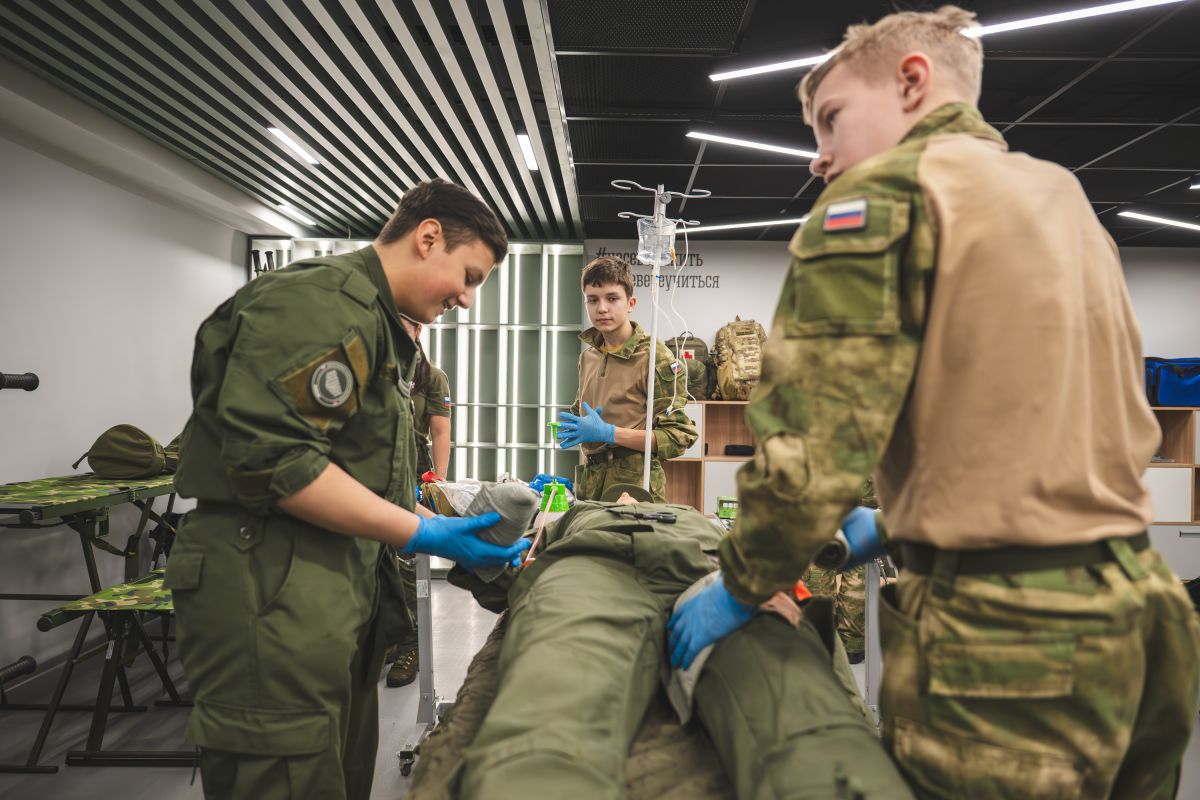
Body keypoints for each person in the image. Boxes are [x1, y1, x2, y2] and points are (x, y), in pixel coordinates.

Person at [668, 7, 1200, 798]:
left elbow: (812, 449)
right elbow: (1086, 426)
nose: (819, 157)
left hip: (1006, 639)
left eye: (831, 119)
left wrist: (743, 580)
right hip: (1145, 615)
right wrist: (897, 519)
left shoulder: (883, 199)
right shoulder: (1064, 199)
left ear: (912, 82)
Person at [166, 179, 530, 800]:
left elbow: (355, 470)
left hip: (331, 593)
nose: (467, 300)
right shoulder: (320, 303)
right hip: (270, 595)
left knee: (338, 775)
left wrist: (429, 521)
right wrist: (421, 531)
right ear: (428, 237)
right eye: (469, 277)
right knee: (284, 778)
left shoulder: (378, 326)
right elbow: (276, 462)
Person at [430, 489, 912, 800]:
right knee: (556, 698)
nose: (628, 495)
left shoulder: (695, 515)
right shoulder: (574, 514)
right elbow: (502, 576)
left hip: (714, 569)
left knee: (794, 701)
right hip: (592, 565)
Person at [557, 256, 697, 502]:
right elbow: (583, 415)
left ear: (630, 303)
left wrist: (610, 433)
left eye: (612, 298)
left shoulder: (654, 357)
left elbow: (678, 437)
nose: (602, 308)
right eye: (593, 300)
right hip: (591, 484)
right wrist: (575, 429)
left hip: (634, 487)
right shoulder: (588, 357)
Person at [385, 318, 454, 689]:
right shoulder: (372, 370)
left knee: (408, 563)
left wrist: (436, 484)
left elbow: (440, 432)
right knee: (375, 561)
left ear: (418, 331)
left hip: (414, 472)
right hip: (374, 473)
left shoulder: (431, 378)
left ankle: (411, 645)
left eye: (406, 326)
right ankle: (389, 637)